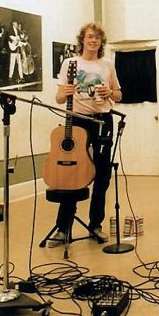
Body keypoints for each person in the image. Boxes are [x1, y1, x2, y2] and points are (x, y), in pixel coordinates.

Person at [51, 22, 122, 245]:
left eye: (97, 38)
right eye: (90, 37)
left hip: (102, 120)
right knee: (71, 171)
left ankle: (95, 225)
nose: (93, 41)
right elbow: (59, 99)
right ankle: (63, 228)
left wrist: (109, 92)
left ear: (101, 42)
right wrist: (65, 92)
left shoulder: (107, 64)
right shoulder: (69, 63)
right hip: (76, 121)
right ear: (82, 39)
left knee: (102, 174)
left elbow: (118, 95)